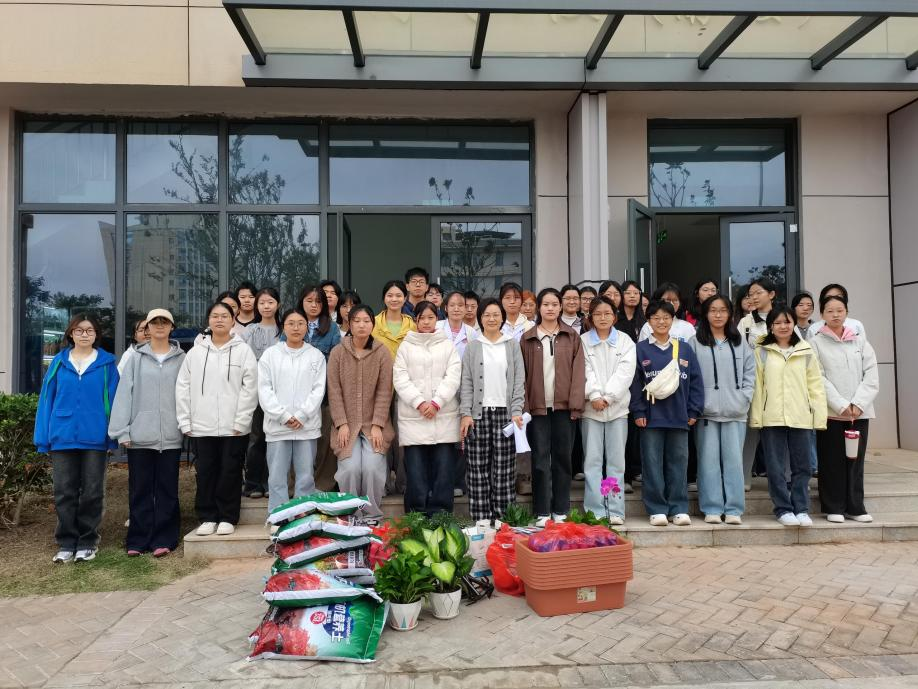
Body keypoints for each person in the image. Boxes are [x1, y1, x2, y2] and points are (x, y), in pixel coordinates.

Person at [35, 314, 119, 564]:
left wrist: (113, 435)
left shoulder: (107, 364)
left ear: (96, 335)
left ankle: (87, 542)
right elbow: (46, 399)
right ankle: (66, 542)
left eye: (89, 330)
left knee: (92, 492)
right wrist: (43, 437)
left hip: (95, 437)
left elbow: (115, 401)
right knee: (64, 491)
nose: (84, 334)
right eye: (79, 330)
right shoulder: (58, 363)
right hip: (62, 436)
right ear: (71, 334)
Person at [176, 302, 258, 537]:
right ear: (208, 321)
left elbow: (250, 387)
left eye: (225, 316)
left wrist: (242, 420)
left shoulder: (243, 351)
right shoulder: (196, 353)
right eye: (215, 316)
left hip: (234, 426)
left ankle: (228, 516)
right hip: (202, 424)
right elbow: (182, 387)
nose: (219, 319)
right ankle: (207, 516)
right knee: (205, 471)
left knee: (230, 471)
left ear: (233, 320)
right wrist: (185, 420)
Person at [108, 308, 184, 557]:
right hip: (140, 436)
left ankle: (165, 538)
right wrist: (122, 431)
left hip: (171, 436)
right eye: (155, 323)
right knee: (139, 489)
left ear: (172, 327)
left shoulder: (182, 358)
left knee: (167, 489)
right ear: (147, 328)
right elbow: (123, 395)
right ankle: (138, 539)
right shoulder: (135, 358)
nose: (160, 326)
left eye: (165, 322)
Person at [749, 306, 827, 527]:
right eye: (778, 323)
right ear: (770, 327)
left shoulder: (806, 350)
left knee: (802, 466)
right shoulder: (762, 352)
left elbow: (815, 386)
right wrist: (757, 417)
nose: (783, 326)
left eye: (787, 322)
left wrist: (818, 416)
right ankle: (783, 509)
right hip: (771, 417)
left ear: (794, 324)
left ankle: (801, 508)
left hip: (801, 416)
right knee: (775, 467)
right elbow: (757, 387)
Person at [630, 301, 704, 527]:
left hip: (679, 416)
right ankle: (656, 509)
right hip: (650, 418)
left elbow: (696, 381)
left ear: (673, 320)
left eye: (666, 317)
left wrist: (693, 409)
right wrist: (638, 411)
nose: (661, 322)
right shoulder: (640, 349)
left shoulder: (684, 349)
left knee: (678, 464)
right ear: (648, 321)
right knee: (652, 465)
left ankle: (678, 508)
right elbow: (635, 384)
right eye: (656, 318)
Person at [809, 295, 879, 524]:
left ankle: (855, 507)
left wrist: (858, 403)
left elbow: (871, 374)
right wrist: (840, 404)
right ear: (822, 315)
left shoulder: (860, 341)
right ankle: (834, 506)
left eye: (839, 310)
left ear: (846, 312)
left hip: (859, 413)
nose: (835, 315)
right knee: (831, 461)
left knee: (855, 461)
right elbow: (818, 377)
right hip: (832, 414)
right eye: (830, 311)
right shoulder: (816, 343)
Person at [521, 288, 585, 525]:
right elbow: (521, 376)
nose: (550, 308)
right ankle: (541, 511)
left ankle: (560, 509)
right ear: (539, 307)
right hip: (537, 408)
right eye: (545, 304)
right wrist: (524, 407)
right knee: (539, 460)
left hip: (564, 408)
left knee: (562, 459)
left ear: (560, 307)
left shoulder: (571, 336)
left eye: (554, 304)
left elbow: (579, 373)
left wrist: (575, 406)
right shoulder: (527, 338)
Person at [690, 295, 755, 525]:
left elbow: (750, 374)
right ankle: (712, 508)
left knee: (733, 462)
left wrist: (743, 399)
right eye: (713, 310)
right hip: (706, 413)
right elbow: (690, 378)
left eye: (723, 310)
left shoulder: (740, 342)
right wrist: (696, 405)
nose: (718, 315)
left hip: (735, 412)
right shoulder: (694, 342)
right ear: (705, 314)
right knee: (708, 462)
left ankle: (734, 508)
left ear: (730, 314)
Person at [393, 301, 462, 516]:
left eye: (430, 317)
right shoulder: (406, 346)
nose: (426, 322)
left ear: (437, 319)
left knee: (444, 471)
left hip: (444, 416)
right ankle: (416, 517)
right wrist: (420, 403)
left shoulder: (447, 345)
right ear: (415, 320)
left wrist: (436, 402)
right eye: (421, 318)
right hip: (414, 417)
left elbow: (453, 376)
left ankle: (441, 516)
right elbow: (400, 378)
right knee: (416, 472)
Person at [460, 298, 525, 521]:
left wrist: (516, 410)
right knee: (477, 469)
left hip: (506, 414)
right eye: (487, 315)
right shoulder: (473, 346)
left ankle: (504, 519)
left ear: (502, 318)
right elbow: (466, 382)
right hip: (478, 415)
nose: (491, 319)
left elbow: (519, 380)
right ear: (480, 318)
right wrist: (466, 413)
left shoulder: (512, 344)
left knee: (504, 469)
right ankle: (481, 520)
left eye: (496, 314)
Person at [328, 305, 395, 520]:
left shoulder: (382, 352)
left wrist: (377, 424)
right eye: (356, 321)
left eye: (366, 321)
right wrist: (341, 423)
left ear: (373, 325)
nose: (361, 325)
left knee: (373, 468)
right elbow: (334, 390)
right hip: (346, 425)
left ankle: (371, 514)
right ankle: (351, 515)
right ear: (349, 324)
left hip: (373, 425)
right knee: (350, 469)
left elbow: (385, 390)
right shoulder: (338, 352)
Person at [258, 308, 327, 514]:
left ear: (307, 327)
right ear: (283, 327)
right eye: (291, 323)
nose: (296, 328)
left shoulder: (315, 355)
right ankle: (278, 515)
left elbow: (318, 389)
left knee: (306, 476)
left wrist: (303, 415)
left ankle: (302, 514)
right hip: (278, 425)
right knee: (277, 476)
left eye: (300, 323)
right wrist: (284, 416)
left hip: (306, 426)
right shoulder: (270, 355)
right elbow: (264, 389)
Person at [580, 296, 636, 525]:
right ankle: (595, 511)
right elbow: (583, 370)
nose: (602, 318)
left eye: (607, 313)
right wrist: (594, 395)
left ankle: (615, 510)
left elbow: (626, 373)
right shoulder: (582, 341)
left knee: (616, 463)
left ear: (615, 316)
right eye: (597, 314)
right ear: (590, 317)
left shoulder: (625, 341)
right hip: (590, 411)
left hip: (618, 410)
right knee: (592, 462)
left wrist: (609, 397)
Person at [301, 285, 343, 491]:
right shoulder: (294, 323)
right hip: (298, 393)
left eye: (318, 301)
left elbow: (336, 361)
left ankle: (323, 484)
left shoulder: (332, 328)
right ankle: (299, 485)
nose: (313, 305)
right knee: (300, 439)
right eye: (309, 301)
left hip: (325, 393)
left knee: (325, 439)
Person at [241, 287, 281, 499]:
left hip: (280, 393)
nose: (266, 306)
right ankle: (253, 483)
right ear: (257, 306)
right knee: (256, 437)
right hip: (256, 391)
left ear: (278, 305)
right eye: (262, 302)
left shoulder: (284, 329)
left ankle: (271, 483)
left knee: (275, 438)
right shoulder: (249, 330)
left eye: (270, 302)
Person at [615, 279, 645, 494]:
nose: (633, 296)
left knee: (637, 426)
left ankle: (636, 469)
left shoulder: (645, 320)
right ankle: (623, 476)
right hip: (620, 376)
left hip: (642, 377)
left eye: (636, 292)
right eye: (628, 292)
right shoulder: (616, 320)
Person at [373, 280, 417, 359]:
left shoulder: (412, 325)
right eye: (390, 296)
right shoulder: (373, 323)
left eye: (398, 296)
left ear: (405, 298)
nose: (394, 299)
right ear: (384, 298)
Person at [437, 290, 478, 360]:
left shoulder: (471, 332)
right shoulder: (437, 327)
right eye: (452, 305)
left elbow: (473, 358)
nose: (456, 309)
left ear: (465, 308)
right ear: (446, 308)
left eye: (460, 305)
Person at [737, 278, 776, 348]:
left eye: (758, 293)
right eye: (751, 294)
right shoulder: (745, 322)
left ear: (771, 294)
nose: (754, 297)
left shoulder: (784, 318)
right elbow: (739, 349)